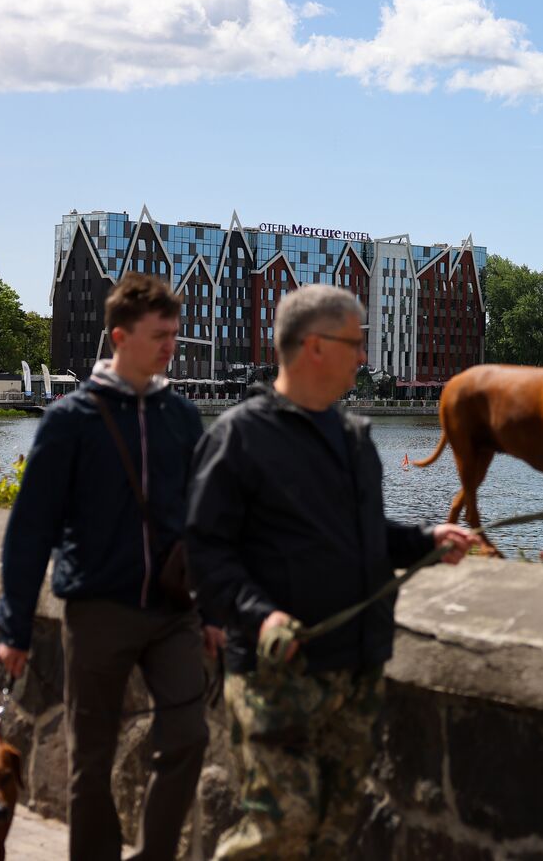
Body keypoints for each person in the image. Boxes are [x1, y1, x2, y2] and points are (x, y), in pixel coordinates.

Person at [187, 286, 477, 858]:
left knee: (333, 832)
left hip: (356, 669)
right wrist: (260, 616)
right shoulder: (239, 436)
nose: (364, 356)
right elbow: (205, 551)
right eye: (355, 343)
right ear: (314, 346)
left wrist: (424, 541)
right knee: (281, 827)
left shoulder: (353, 438)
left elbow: (363, 539)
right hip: (279, 675)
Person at [0, 273, 215, 861]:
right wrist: (14, 626)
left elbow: (202, 523)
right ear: (119, 336)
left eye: (174, 333)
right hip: (98, 610)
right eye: (159, 334)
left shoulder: (181, 417)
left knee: (190, 736)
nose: (171, 345)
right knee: (90, 761)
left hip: (172, 611)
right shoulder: (72, 419)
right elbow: (31, 527)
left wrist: (213, 611)